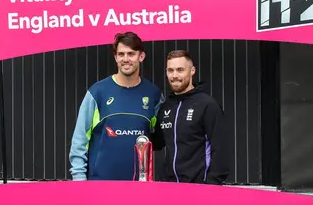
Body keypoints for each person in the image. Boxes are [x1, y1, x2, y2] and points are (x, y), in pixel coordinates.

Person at [69, 32, 164, 181]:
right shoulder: (97, 93)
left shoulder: (153, 95)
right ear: (115, 57)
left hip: (139, 187)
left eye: (131, 54)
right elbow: (79, 141)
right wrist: (79, 180)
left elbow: (161, 138)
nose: (126, 59)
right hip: (100, 185)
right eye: (121, 54)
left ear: (141, 56)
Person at [151, 50, 230, 185]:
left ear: (192, 71)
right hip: (169, 188)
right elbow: (158, 142)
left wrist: (211, 184)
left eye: (180, 70)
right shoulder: (166, 107)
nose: (174, 75)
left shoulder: (207, 105)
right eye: (170, 70)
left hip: (199, 188)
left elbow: (221, 150)